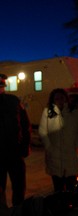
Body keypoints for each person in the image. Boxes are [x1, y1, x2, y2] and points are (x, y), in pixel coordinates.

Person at [38, 88, 78, 193]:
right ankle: (59, 207)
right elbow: (43, 132)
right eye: (56, 98)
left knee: (71, 187)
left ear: (66, 98)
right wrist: (49, 147)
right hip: (54, 156)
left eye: (61, 98)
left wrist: (77, 145)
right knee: (58, 188)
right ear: (52, 100)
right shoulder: (48, 113)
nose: (59, 100)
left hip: (70, 154)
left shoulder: (73, 112)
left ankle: (71, 207)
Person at [0, 74, 31, 208]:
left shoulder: (14, 101)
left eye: (1, 85)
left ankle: (18, 210)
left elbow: (25, 124)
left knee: (19, 187)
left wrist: (24, 146)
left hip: (15, 152)